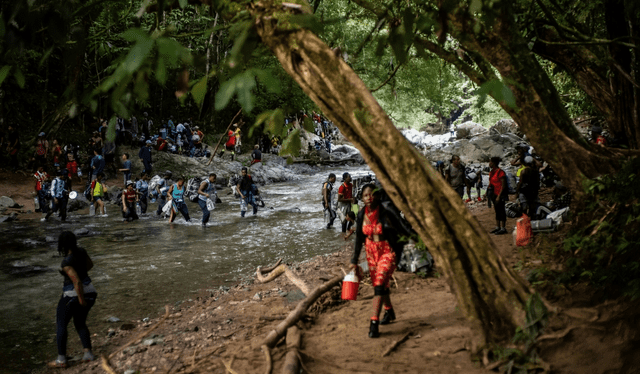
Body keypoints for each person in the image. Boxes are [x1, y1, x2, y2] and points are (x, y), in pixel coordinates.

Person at [349, 184, 415, 338]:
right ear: (362, 198)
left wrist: (419, 241)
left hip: (388, 250)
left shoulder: (386, 211)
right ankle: (389, 311)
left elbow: (403, 227)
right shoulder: (360, 214)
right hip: (371, 252)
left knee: (379, 284)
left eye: (372, 194)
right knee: (382, 284)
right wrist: (354, 260)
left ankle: (373, 323)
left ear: (378, 196)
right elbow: (359, 238)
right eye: (365, 195)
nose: (369, 198)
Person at [48, 231, 97, 368]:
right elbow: (90, 265)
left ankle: (61, 359)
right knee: (80, 322)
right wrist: (81, 271)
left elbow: (77, 283)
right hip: (91, 291)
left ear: (62, 245)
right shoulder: (82, 251)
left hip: (74, 294)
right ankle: (88, 354)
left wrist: (81, 300)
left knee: (61, 323)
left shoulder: (66, 262)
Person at [487, 157, 508, 235]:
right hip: (493, 193)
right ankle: (497, 227)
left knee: (501, 210)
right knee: (497, 210)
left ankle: (503, 227)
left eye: (490, 162)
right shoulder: (492, 172)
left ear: (494, 163)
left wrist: (499, 195)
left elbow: (503, 185)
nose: (489, 164)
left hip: (499, 193)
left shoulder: (500, 172)